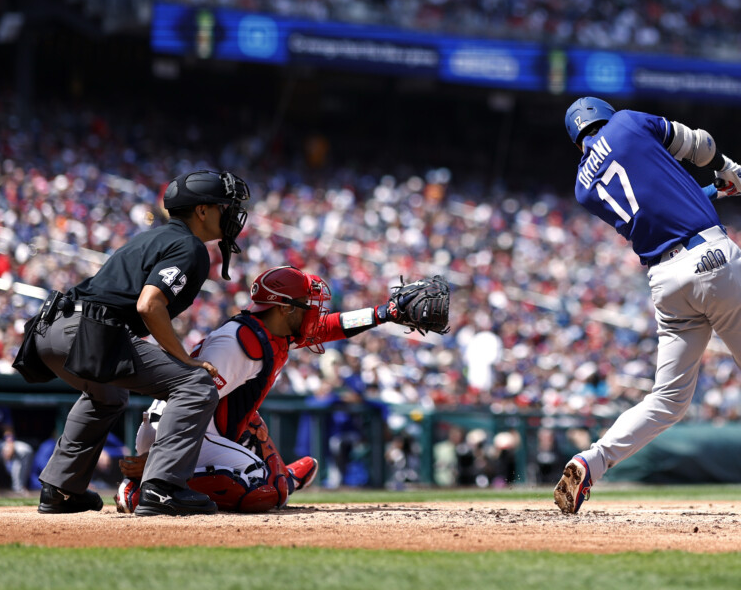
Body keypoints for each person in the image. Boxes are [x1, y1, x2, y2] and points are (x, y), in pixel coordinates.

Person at [553, 97, 741, 516]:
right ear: (604, 113)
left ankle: (592, 461)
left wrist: (712, 192)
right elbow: (702, 145)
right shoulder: (627, 122)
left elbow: (653, 203)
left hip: (666, 280)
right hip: (712, 258)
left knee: (667, 399)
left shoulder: (584, 185)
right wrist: (728, 170)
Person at [115, 265, 450, 512]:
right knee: (266, 494)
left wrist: (384, 313)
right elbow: (184, 397)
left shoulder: (270, 330)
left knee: (253, 423)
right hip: (178, 430)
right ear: (285, 307)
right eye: (307, 303)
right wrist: (161, 460)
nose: (315, 310)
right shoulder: (241, 342)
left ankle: (277, 478)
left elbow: (330, 327)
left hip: (202, 427)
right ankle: (142, 490)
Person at [30, 169, 249, 516]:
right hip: (89, 330)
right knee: (195, 384)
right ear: (202, 211)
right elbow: (149, 303)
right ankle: (163, 488)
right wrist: (183, 359)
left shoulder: (152, 238)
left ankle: (61, 490)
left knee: (108, 396)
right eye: (225, 206)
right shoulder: (190, 247)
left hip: (50, 329)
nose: (232, 214)